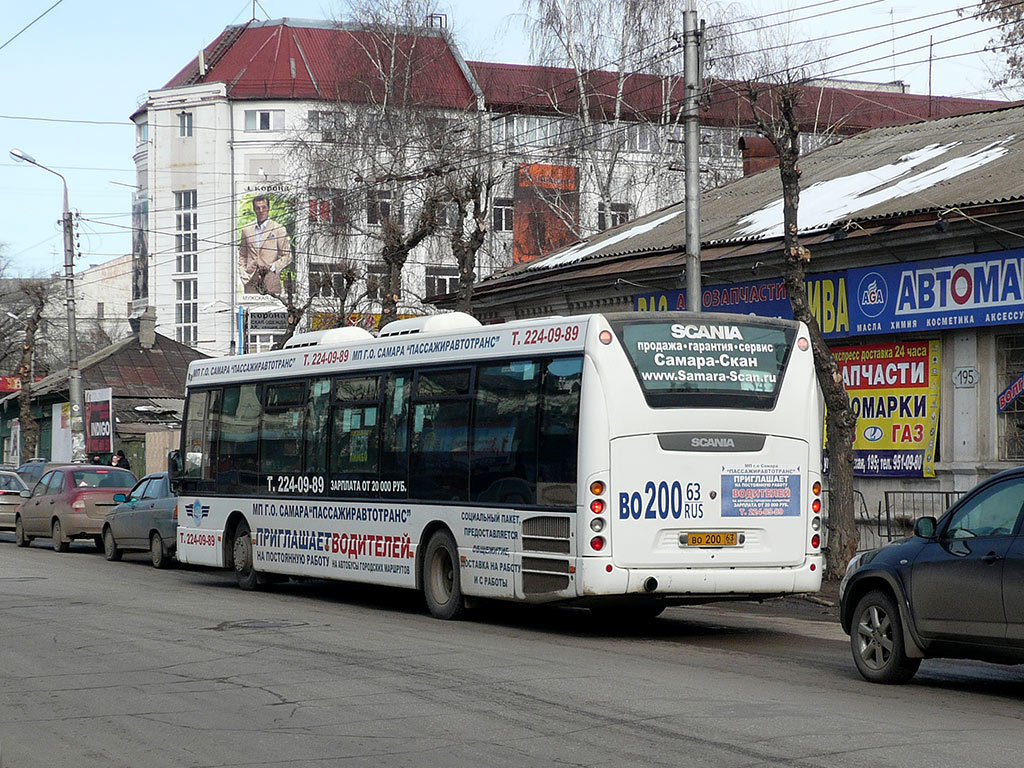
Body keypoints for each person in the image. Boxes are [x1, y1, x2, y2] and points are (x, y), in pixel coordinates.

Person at [239, 194, 292, 294]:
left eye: (264, 207)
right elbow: (242, 254)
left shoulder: (278, 229)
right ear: (254, 209)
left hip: (271, 280)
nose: (261, 210)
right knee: (249, 309)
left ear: (268, 208)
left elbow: (287, 256)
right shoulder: (246, 230)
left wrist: (272, 266)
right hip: (251, 281)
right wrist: (243, 273)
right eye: (258, 208)